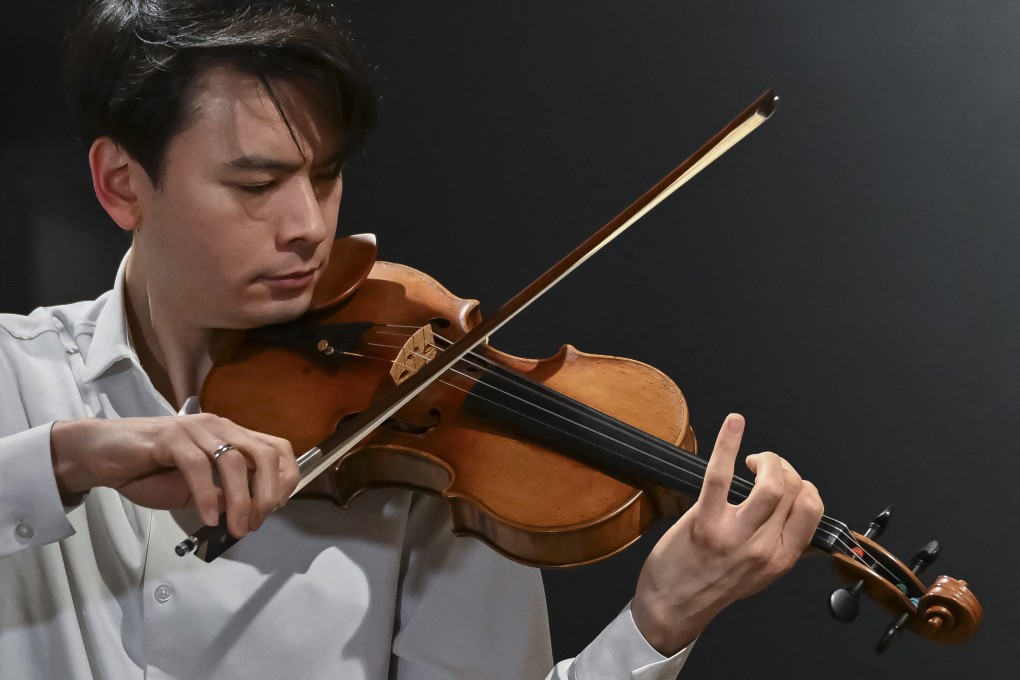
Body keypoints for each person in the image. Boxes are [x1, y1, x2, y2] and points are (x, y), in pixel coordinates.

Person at [0, 1, 824, 678]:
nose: (308, 226)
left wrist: (659, 622)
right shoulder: (14, 375)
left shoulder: (429, 447)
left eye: (325, 176)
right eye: (256, 184)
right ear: (121, 184)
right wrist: (69, 460)